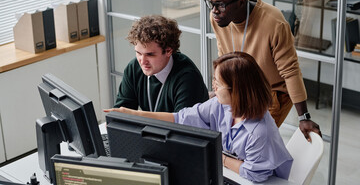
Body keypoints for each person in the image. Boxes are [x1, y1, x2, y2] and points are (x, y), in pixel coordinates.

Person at [105, 52, 293, 182]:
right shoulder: (220, 105)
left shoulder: (260, 131)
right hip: (233, 173)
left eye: (218, 83)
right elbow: (180, 117)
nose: (214, 88)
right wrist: (135, 114)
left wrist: (219, 158)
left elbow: (254, 173)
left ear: (238, 91)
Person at [205, 0, 321, 140]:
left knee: (250, 139)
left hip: (272, 92)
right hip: (240, 87)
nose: (214, 11)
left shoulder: (273, 22)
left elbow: (290, 71)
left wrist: (303, 117)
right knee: (223, 134)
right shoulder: (218, 18)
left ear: (241, 3)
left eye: (220, 5)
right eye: (211, 3)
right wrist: (219, 89)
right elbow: (224, 56)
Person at [113, 15, 209, 112]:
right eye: (138, 53)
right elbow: (122, 112)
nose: (142, 61)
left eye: (150, 55)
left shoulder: (188, 77)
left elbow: (182, 124)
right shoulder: (134, 68)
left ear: (168, 51)